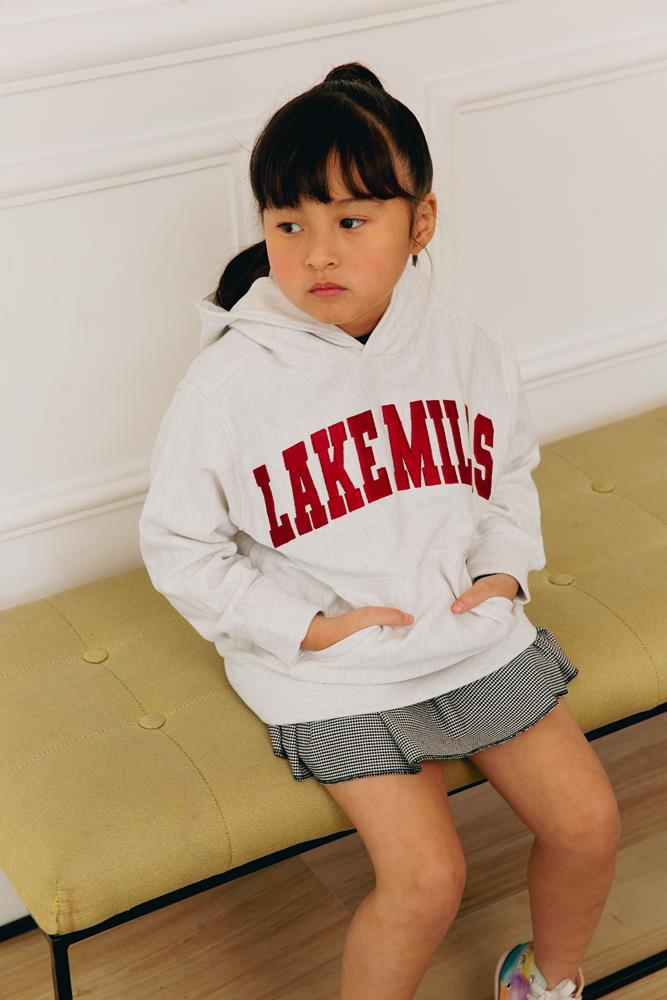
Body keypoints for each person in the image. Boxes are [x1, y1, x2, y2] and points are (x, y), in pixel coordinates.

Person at [139, 62, 621, 1000]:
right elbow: (181, 547)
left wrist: (501, 573)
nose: (317, 253)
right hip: (333, 671)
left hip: (467, 631)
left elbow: (505, 472)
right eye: (289, 225)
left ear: (420, 222)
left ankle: (545, 980)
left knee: (589, 822)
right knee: (427, 879)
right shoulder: (229, 384)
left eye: (351, 222)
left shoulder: (466, 344)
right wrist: (309, 630)